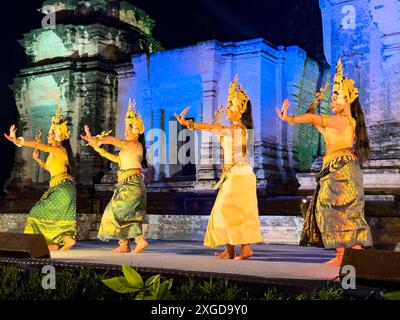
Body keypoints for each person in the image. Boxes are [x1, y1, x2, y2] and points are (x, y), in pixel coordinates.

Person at [276, 58, 373, 266]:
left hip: (341, 170)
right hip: (337, 168)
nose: (332, 100)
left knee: (330, 209)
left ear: (347, 99)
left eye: (336, 96)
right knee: (337, 211)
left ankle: (346, 255)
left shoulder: (343, 120)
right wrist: (312, 111)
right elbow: (319, 125)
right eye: (332, 96)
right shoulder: (340, 122)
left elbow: (315, 121)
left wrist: (290, 118)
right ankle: (348, 254)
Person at [175, 75, 263, 260]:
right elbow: (211, 127)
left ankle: (245, 248)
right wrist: (188, 124)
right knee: (229, 211)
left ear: (240, 111)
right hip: (234, 174)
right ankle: (230, 250)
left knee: (230, 210)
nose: (228, 109)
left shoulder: (238, 130)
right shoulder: (233, 129)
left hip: (240, 175)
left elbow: (210, 127)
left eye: (232, 106)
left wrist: (190, 124)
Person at [4, 107, 77, 250]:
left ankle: (57, 240)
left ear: (60, 135)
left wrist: (18, 141)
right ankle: (59, 242)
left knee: (36, 212)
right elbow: (52, 169)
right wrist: (38, 161)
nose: (48, 135)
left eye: (51, 133)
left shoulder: (58, 149)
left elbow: (38, 145)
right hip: (61, 186)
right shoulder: (57, 153)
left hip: (62, 188)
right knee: (52, 216)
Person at [81, 99, 148, 254]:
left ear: (138, 129)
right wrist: (96, 147)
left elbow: (112, 140)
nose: (126, 130)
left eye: (130, 127)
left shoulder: (135, 146)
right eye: (126, 127)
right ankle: (124, 244)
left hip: (133, 185)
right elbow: (115, 159)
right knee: (126, 214)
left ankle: (139, 240)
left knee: (114, 211)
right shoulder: (127, 150)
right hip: (126, 184)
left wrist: (96, 139)